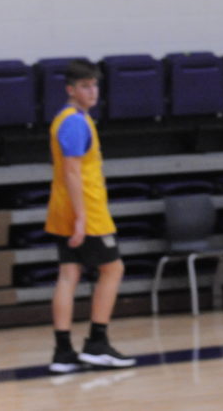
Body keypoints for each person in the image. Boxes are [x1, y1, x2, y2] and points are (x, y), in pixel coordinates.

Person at [46, 59, 136, 373]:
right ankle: (97, 342)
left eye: (94, 85)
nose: (92, 91)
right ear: (70, 89)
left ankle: (63, 352)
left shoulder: (67, 118)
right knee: (113, 269)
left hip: (63, 209)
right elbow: (72, 172)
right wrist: (82, 218)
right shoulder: (74, 122)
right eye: (85, 86)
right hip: (86, 210)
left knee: (68, 274)